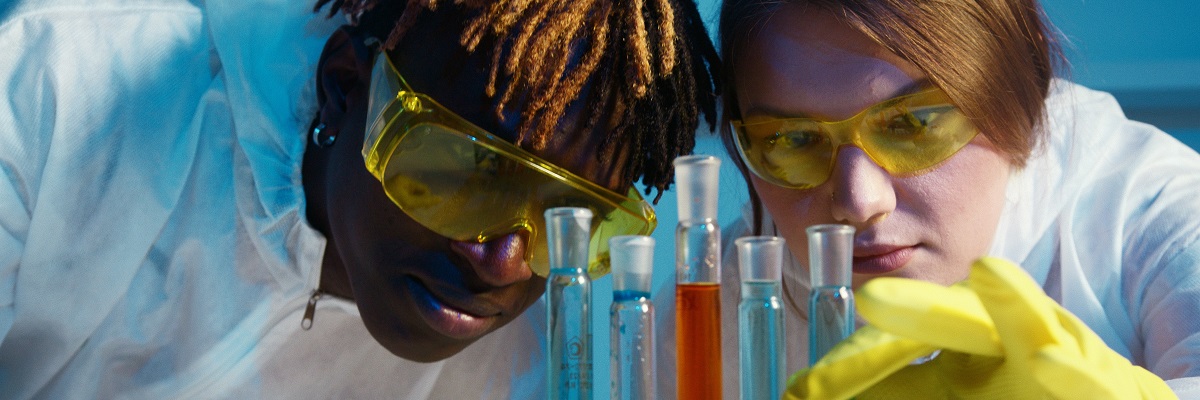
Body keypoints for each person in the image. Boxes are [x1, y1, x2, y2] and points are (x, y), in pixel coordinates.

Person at [0, 0, 717, 398]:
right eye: (469, 169)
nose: (505, 263)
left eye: (568, 219)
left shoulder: (554, 353)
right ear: (346, 88)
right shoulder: (56, 95)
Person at [713, 0, 1200, 398]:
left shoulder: (1159, 217)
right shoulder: (730, 288)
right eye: (792, 141)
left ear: (1020, 94)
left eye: (913, 124)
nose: (859, 203)